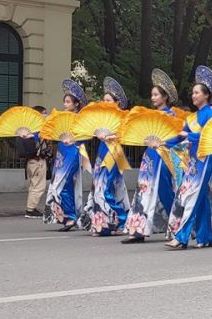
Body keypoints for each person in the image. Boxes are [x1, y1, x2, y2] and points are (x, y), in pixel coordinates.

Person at [165, 66, 212, 249]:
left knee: (191, 196)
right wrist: (165, 142)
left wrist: (189, 136)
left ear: (206, 96)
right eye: (193, 93)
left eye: (197, 92)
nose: (193, 95)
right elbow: (181, 135)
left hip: (206, 159)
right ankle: (205, 237)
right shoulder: (192, 117)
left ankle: (181, 237)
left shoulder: (211, 114)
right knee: (200, 198)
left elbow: (209, 136)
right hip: (193, 160)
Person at [122, 69, 180, 243]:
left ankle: (178, 225)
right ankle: (137, 229)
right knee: (143, 191)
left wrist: (163, 143)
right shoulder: (149, 116)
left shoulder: (172, 116)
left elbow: (178, 136)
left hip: (163, 156)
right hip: (149, 156)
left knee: (165, 192)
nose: (153, 97)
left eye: (156, 95)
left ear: (165, 97)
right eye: (152, 95)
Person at [80, 77, 131, 236]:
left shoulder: (123, 117)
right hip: (103, 152)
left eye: (109, 100)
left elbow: (126, 134)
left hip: (114, 153)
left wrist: (111, 136)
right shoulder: (103, 118)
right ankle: (104, 223)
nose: (105, 103)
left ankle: (121, 219)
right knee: (102, 188)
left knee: (104, 188)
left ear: (117, 103)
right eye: (104, 100)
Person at [43, 80, 89, 231]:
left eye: (68, 102)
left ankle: (70, 217)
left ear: (76, 104)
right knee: (65, 185)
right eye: (64, 101)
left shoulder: (81, 119)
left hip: (74, 153)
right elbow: (47, 130)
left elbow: (86, 135)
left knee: (62, 184)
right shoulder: (60, 118)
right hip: (61, 155)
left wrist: (74, 139)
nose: (65, 104)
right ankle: (70, 215)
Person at [17, 104, 51, 218]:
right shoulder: (36, 131)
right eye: (44, 113)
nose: (46, 115)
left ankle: (31, 208)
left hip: (30, 162)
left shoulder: (27, 129)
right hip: (37, 161)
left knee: (33, 185)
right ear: (39, 114)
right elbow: (40, 147)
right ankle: (30, 210)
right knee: (38, 186)